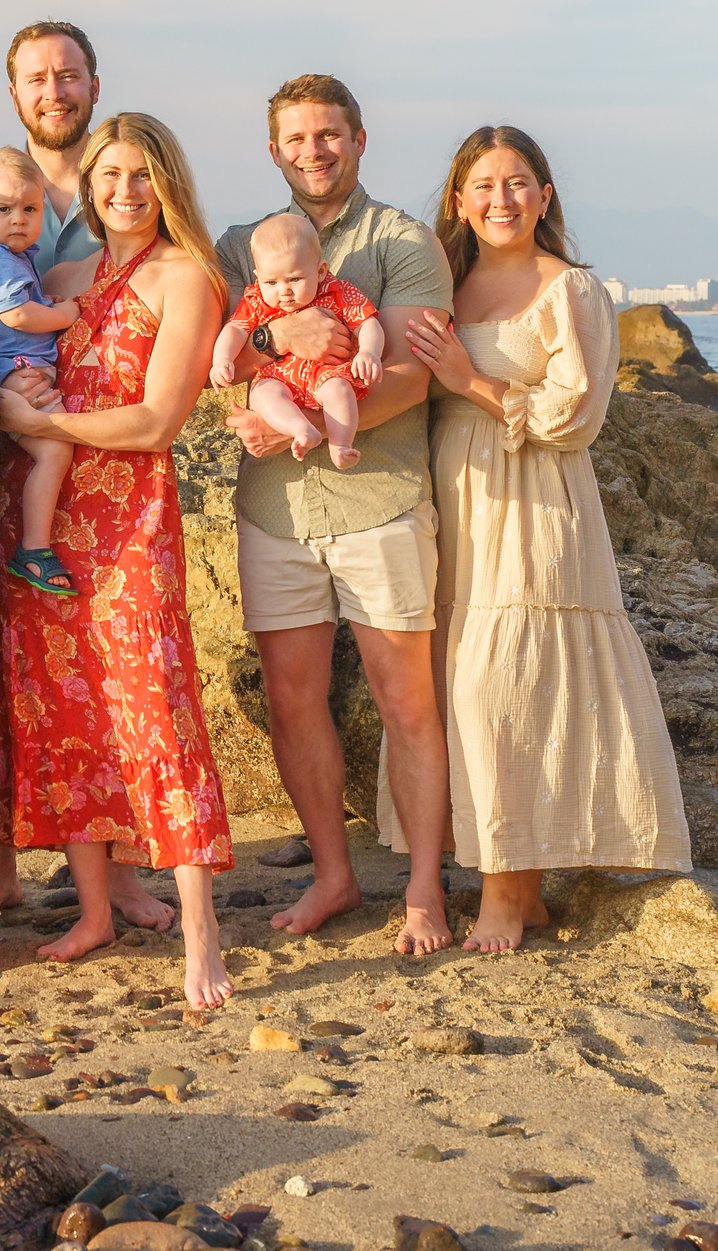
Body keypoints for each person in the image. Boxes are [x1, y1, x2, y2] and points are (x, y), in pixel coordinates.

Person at [401, 128, 691, 951]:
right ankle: (519, 891)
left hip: (535, 503)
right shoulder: (442, 282)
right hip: (457, 502)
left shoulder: (571, 291)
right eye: (484, 185)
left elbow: (578, 413)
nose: (502, 199)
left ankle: (504, 889)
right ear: (459, 200)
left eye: (519, 183)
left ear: (546, 195)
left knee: (509, 689)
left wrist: (472, 381)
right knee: (463, 686)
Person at [0, 114, 238, 1009]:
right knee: (64, 713)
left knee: (154, 712)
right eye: (108, 175)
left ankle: (202, 929)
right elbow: (11, 359)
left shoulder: (186, 277)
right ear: (86, 186)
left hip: (129, 523)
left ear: (166, 181)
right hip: (44, 524)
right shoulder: (55, 278)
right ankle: (93, 909)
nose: (124, 191)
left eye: (140, 175)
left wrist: (43, 424)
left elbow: (157, 421)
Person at [214, 75, 454, 956]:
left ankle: (424, 886)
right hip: (274, 510)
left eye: (329, 135)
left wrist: (306, 424)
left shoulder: (401, 240)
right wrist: (278, 343)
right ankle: (334, 874)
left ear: (360, 139)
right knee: (291, 699)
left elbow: (410, 374)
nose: (313, 151)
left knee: (407, 702)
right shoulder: (240, 245)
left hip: (379, 500)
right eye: (296, 139)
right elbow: (219, 359)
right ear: (273, 150)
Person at [0, 147, 82, 597]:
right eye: (4, 209)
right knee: (54, 453)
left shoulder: (13, 257)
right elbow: (16, 316)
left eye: (29, 209)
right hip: (13, 371)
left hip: (19, 367)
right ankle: (34, 548)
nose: (18, 219)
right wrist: (65, 314)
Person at [211, 214, 387, 469]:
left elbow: (367, 322)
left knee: (339, 392)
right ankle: (300, 429)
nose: (284, 291)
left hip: (327, 373)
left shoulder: (337, 291)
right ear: (257, 276)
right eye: (271, 282)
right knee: (262, 396)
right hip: (278, 377)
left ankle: (341, 445)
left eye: (294, 279)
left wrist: (369, 352)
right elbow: (235, 329)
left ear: (320, 271)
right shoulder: (256, 299)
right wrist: (222, 359)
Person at [0, 21, 107, 273]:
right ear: (15, 97)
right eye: (37, 80)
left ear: (94, 89)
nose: (54, 93)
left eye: (68, 76)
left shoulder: (132, 193)